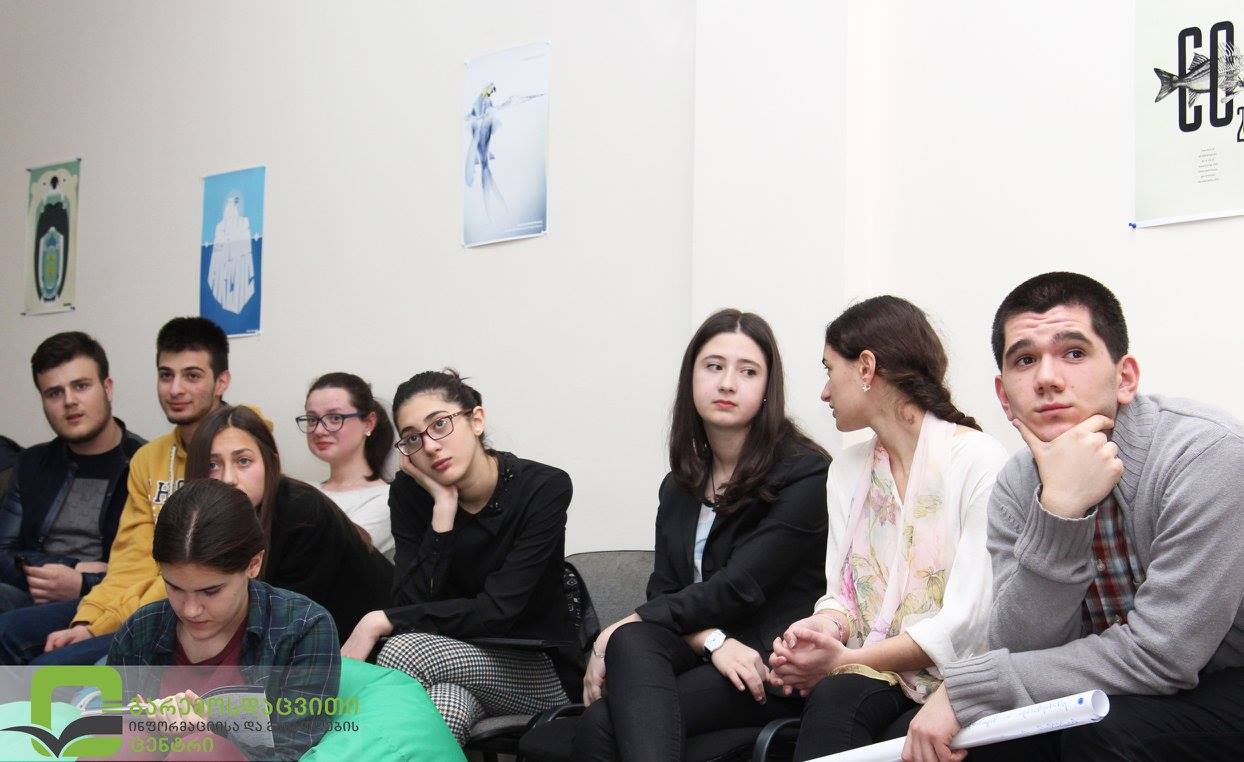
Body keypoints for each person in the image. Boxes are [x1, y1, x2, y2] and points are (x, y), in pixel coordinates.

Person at [903, 272, 1244, 761]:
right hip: (1118, 685)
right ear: (1004, 395)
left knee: (1103, 736)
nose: (1046, 378)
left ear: (1125, 378)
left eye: (1074, 353)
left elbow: (1165, 653)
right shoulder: (1015, 485)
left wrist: (970, 688)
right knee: (988, 743)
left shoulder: (1205, 455)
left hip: (1224, 678)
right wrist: (1060, 509)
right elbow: (1022, 646)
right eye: (1025, 360)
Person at [572, 309, 832, 760]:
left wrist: (613, 630)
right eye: (714, 366)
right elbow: (665, 592)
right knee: (632, 641)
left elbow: (738, 588)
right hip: (707, 652)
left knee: (603, 720)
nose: (727, 383)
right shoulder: (679, 486)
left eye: (747, 371)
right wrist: (712, 642)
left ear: (767, 390)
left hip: (767, 663)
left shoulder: (804, 473)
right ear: (690, 378)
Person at [763, 297, 1007, 759]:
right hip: (876, 673)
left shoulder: (979, 461)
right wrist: (820, 630)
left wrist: (844, 659)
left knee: (865, 709)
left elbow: (967, 624)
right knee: (838, 697)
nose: (824, 393)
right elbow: (841, 596)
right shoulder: (847, 470)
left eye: (829, 370)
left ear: (866, 367)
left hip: (959, 679)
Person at [340, 369, 577, 745]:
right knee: (442, 710)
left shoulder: (543, 487)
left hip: (538, 670)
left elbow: (498, 611)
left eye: (439, 425)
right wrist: (443, 513)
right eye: (413, 438)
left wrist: (379, 620)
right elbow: (410, 603)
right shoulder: (410, 495)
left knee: (404, 650)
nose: (430, 446)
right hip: (454, 668)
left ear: (476, 420)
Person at [0, 317, 230, 665]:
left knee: (44, 671)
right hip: (117, 601)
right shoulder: (150, 459)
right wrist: (89, 618)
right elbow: (131, 561)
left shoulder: (235, 453)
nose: (175, 389)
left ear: (221, 381)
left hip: (188, 608)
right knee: (10, 633)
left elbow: (194, 566)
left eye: (192, 376)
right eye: (166, 375)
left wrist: (94, 610)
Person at [108, 478, 340, 760]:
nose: (190, 610)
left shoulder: (302, 627)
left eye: (211, 591)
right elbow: (112, 724)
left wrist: (210, 728)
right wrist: (153, 731)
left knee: (202, 751)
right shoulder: (141, 630)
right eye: (174, 588)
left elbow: (291, 751)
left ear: (254, 564)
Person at [187, 405, 394, 637]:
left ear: (271, 463)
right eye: (212, 465)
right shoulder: (199, 517)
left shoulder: (301, 512)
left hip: (375, 641)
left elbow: (284, 631)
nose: (228, 478)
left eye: (243, 461)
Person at [0, 332, 147, 614]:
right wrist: (71, 568)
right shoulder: (31, 462)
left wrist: (83, 584)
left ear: (108, 388)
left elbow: (150, 570)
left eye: (81, 386)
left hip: (107, 606)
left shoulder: (145, 463)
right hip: (29, 597)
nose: (69, 401)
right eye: (54, 393)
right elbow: (3, 552)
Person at [300, 372, 396, 559]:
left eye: (335, 418)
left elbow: (329, 559)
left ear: (369, 423)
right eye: (312, 419)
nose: (318, 430)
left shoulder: (388, 500)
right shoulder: (304, 491)